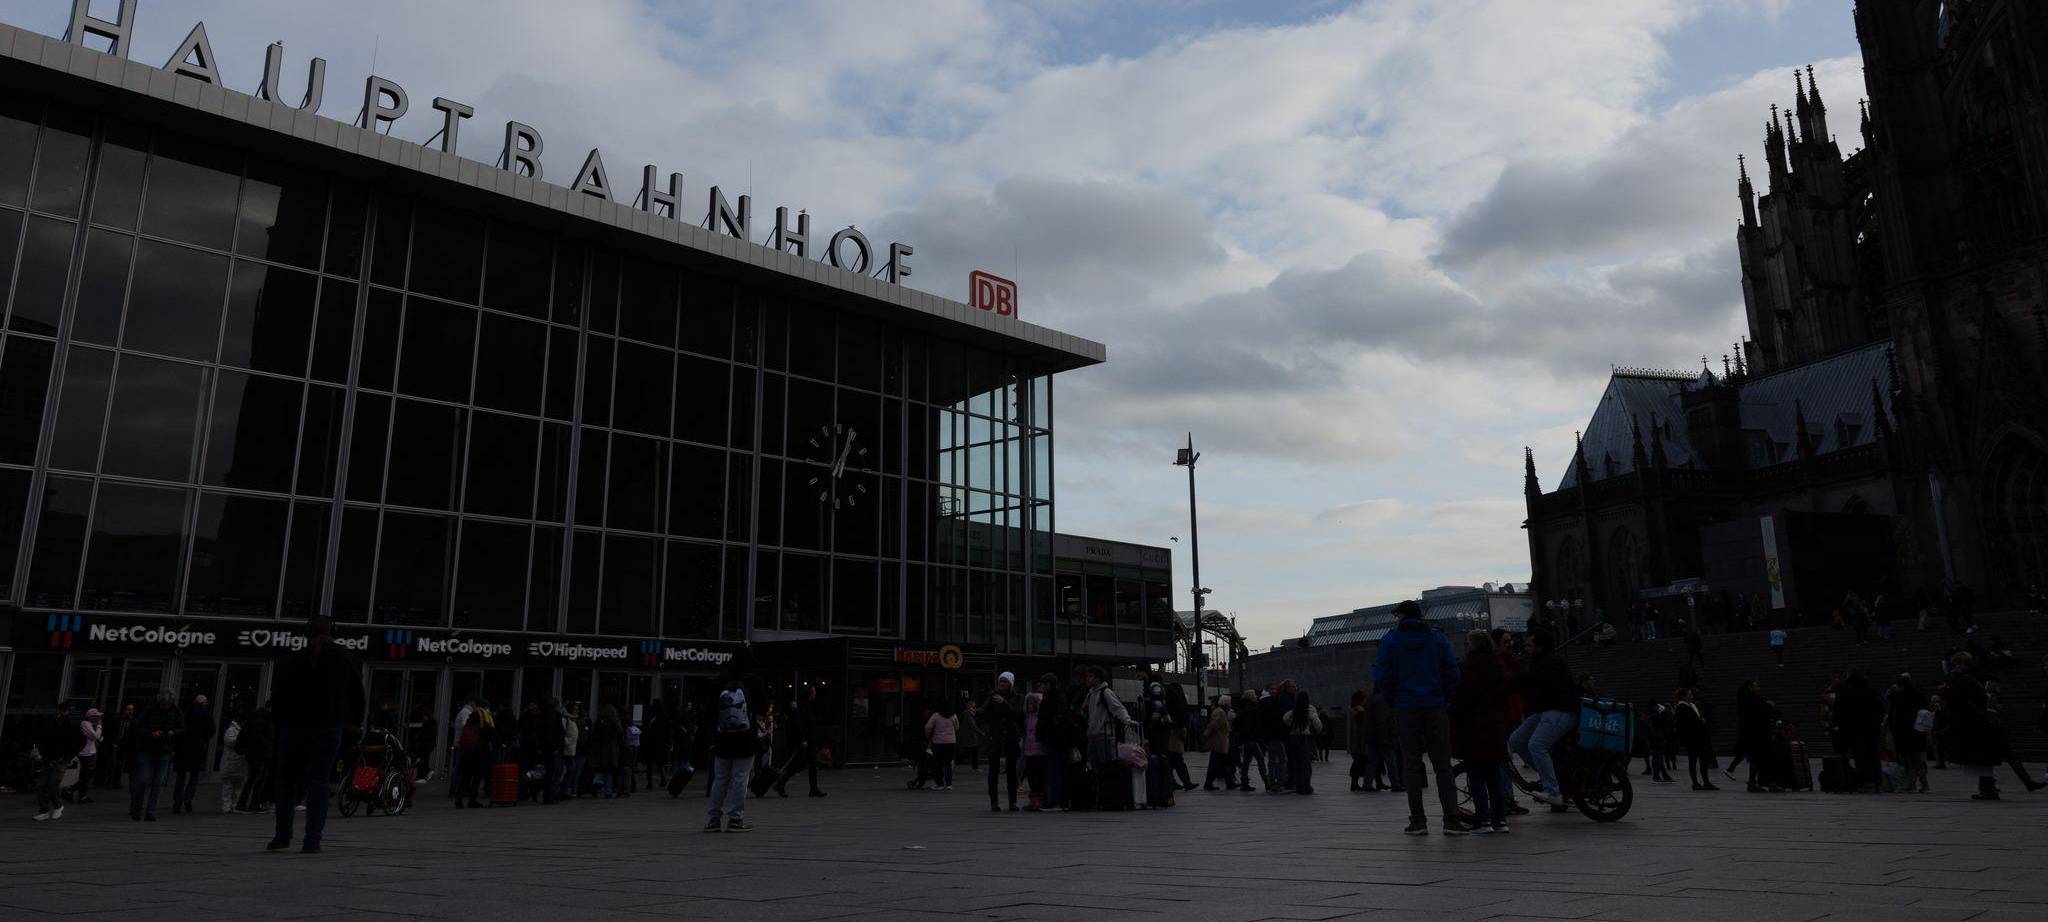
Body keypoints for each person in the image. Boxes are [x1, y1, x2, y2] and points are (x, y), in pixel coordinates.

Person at [267, 615, 367, 853]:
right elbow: (357, 697)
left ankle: (282, 835)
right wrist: (354, 724)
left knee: (286, 782)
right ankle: (312, 839)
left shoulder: (289, 662)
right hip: (327, 727)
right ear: (334, 632)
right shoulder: (347, 659)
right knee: (319, 782)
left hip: (293, 727)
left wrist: (279, 724)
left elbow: (277, 698)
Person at [1373, 599, 1464, 835]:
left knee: (1412, 766)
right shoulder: (1437, 639)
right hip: (1435, 706)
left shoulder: (1390, 640)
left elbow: (1382, 675)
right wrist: (1444, 697)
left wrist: (1394, 700)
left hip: (1405, 707)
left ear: (1402, 616)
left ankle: (1418, 821)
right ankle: (1452, 820)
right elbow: (1452, 672)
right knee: (1443, 765)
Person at [1507, 629, 1576, 810]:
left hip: (1559, 710)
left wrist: (1504, 681)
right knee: (1516, 741)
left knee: (1537, 745)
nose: (1526, 648)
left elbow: (1528, 679)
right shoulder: (1540, 661)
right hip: (1542, 711)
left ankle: (1553, 792)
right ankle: (1550, 777)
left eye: (1530, 645)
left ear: (1540, 646)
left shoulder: (1550, 662)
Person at [1452, 631, 1514, 833]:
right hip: (1495, 725)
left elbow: (1460, 698)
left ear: (1473, 645)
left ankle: (1484, 820)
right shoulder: (1498, 666)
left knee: (1476, 775)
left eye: (1467, 642)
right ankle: (1500, 820)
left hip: (1473, 727)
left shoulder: (1467, 667)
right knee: (1494, 776)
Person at [1080, 665, 1137, 810]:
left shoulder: (1105, 693)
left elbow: (1117, 708)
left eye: (1090, 676)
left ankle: (1108, 797)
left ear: (1098, 678)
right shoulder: (1090, 694)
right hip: (1093, 735)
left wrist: (1127, 720)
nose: (1087, 679)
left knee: (1106, 767)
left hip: (1104, 735)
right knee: (1097, 768)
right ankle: (1102, 797)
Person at [705, 679, 759, 832]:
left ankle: (713, 820)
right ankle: (735, 819)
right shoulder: (752, 681)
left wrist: (711, 740)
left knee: (720, 779)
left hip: (722, 740)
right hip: (745, 740)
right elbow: (761, 706)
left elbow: (709, 712)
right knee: (740, 779)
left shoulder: (720, 682)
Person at [129, 689, 183, 822]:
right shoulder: (149, 710)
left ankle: (150, 812)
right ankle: (136, 809)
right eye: (163, 704)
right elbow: (138, 727)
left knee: (157, 783)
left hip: (164, 751)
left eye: (167, 704)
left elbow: (182, 728)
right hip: (147, 750)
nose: (165, 706)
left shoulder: (176, 711)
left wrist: (173, 732)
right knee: (142, 780)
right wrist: (151, 733)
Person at [32, 701, 86, 821]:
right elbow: (43, 739)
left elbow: (81, 742)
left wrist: (69, 757)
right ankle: (45, 809)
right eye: (61, 710)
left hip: (61, 759)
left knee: (52, 783)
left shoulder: (71, 724)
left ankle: (56, 806)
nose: (61, 713)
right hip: (50, 758)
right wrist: (45, 755)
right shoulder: (51, 723)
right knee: (41, 785)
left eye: (64, 710)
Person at [775, 685, 827, 799]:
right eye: (813, 692)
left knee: (808, 764)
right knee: (799, 764)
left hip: (808, 740)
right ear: (810, 694)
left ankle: (813, 788)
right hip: (806, 741)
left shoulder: (805, 706)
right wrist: (803, 739)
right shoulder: (804, 707)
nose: (815, 694)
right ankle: (781, 784)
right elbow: (802, 725)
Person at [981, 672, 1023, 812]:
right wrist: (976, 711)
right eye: (1000, 682)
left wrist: (1004, 703)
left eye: (1005, 682)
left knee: (1011, 771)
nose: (1002, 684)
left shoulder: (1016, 697)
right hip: (996, 737)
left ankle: (1012, 802)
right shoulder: (992, 696)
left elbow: (1017, 714)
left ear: (1010, 684)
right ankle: (994, 801)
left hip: (1010, 736)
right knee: (993, 771)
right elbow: (984, 711)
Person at [171, 693, 215, 815]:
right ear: (203, 703)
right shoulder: (206, 715)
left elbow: (179, 729)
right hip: (197, 748)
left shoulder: (186, 713)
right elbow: (211, 730)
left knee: (181, 776)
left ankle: (177, 801)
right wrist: (204, 740)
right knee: (194, 776)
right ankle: (188, 799)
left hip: (183, 748)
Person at [1734, 679, 1779, 793]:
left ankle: (1753, 782)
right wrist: (1769, 706)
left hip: (1752, 735)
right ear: (1750, 688)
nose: (1759, 688)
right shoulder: (1751, 700)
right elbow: (1762, 712)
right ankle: (1768, 782)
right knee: (1765, 758)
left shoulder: (1745, 700)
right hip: (1759, 734)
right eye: (1756, 686)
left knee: (1755, 759)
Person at [1035, 675, 1071, 811]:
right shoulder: (1061, 697)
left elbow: (1044, 719)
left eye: (1042, 684)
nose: (1040, 687)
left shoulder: (1049, 699)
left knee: (1053, 770)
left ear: (1049, 684)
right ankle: (1061, 800)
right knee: (1059, 769)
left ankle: (1054, 800)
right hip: (1059, 738)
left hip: (1052, 738)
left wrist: (1041, 734)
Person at [1888, 674, 1929, 793]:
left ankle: (1915, 784)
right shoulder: (1918, 695)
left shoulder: (1902, 697)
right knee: (1915, 759)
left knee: (1911, 760)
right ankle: (1919, 783)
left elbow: (1898, 716)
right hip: (1917, 731)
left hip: (1906, 732)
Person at [1675, 688, 1717, 790]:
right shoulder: (1681, 707)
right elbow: (1689, 723)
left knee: (1703, 760)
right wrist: (1700, 721)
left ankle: (1706, 782)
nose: (1692, 696)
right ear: (1684, 696)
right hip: (1692, 738)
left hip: (1700, 737)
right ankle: (1695, 782)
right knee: (1693, 761)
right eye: (1690, 694)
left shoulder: (1692, 705)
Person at [236, 705, 276, 813]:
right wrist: (268, 746)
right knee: (257, 779)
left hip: (256, 754)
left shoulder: (253, 722)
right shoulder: (264, 723)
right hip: (262, 754)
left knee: (255, 779)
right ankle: (251, 803)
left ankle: (247, 803)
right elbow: (261, 738)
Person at [1284, 688, 1323, 795]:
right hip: (1304, 738)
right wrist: (1318, 730)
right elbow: (1317, 722)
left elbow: (1285, 718)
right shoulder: (1310, 708)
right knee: (1306, 764)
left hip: (1293, 737)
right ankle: (1306, 786)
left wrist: (1290, 726)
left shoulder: (1294, 709)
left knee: (1297, 763)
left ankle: (1299, 786)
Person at [66, 707, 103, 805]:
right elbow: (95, 736)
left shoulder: (89, 724)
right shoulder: (85, 724)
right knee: (86, 775)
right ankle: (71, 789)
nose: (99, 719)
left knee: (86, 775)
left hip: (90, 752)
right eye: (97, 717)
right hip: (86, 753)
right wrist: (99, 726)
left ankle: (82, 795)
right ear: (91, 717)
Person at [1233, 689, 1266, 792]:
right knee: (1260, 761)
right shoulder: (1253, 709)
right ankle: (1267, 782)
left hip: (1245, 740)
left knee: (1246, 763)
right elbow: (1255, 726)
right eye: (1255, 695)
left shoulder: (1241, 709)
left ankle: (1244, 782)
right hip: (1253, 740)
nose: (1256, 697)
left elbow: (1237, 725)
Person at [924, 698, 960, 792]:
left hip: (938, 742)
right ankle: (949, 784)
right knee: (948, 763)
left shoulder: (936, 715)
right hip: (951, 742)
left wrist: (928, 736)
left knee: (938, 764)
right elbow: (957, 727)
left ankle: (939, 784)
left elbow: (928, 727)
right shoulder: (953, 715)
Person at [216, 711, 247, 814]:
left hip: (238, 762)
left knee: (237, 787)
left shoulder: (238, 730)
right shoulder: (232, 730)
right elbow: (229, 741)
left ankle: (233, 805)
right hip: (231, 761)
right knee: (228, 786)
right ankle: (227, 806)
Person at [1022, 687, 1048, 810]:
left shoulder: (1039, 718)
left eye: (1032, 703)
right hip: (1028, 751)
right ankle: (1033, 799)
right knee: (1031, 776)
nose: (1030, 706)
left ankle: (1040, 799)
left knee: (1039, 775)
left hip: (1039, 751)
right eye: (1028, 703)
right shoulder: (1027, 718)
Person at [1202, 696, 1235, 790]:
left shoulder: (1220, 711)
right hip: (1219, 742)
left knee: (1218, 764)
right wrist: (1206, 734)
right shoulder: (1220, 712)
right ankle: (1228, 783)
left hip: (1220, 742)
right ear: (1226, 703)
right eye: (1229, 703)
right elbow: (1214, 725)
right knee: (1221, 764)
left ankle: (1228, 782)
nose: (1230, 705)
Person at [957, 700, 982, 772]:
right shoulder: (969, 714)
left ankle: (957, 762)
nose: (975, 707)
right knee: (973, 752)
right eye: (973, 705)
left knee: (969, 751)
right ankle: (974, 767)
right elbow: (973, 726)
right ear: (970, 706)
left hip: (969, 736)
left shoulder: (969, 713)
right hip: (970, 736)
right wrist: (981, 732)